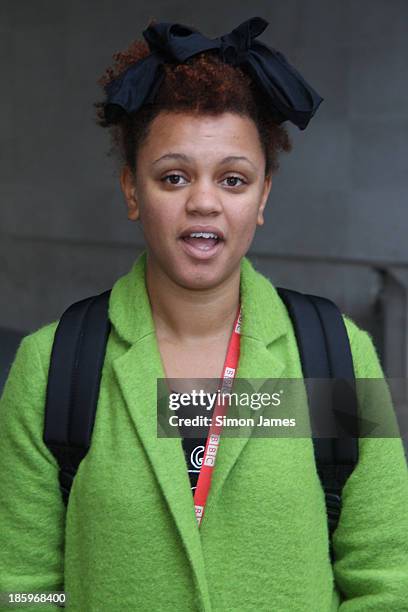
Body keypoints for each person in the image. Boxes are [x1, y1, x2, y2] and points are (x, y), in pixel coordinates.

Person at [0, 16, 407, 612]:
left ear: (263, 196)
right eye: (174, 176)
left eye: (234, 179)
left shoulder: (334, 355)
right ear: (132, 191)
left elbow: (386, 580)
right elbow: (25, 588)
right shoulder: (53, 367)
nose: (205, 202)